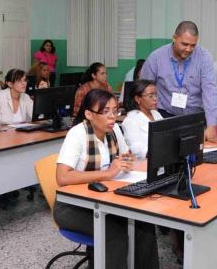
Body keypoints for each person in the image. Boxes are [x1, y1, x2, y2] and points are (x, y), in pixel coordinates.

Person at [54, 89, 159, 269]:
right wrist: (108, 173)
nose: (112, 117)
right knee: (114, 232)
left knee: (144, 224)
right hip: (72, 207)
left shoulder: (115, 130)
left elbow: (126, 158)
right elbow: (62, 177)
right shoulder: (77, 134)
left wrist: (127, 161)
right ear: (88, 114)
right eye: (105, 112)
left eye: (115, 110)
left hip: (106, 199)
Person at [140, 21, 217, 142]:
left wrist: (212, 125)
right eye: (184, 44)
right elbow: (143, 89)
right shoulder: (156, 58)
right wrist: (148, 118)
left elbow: (210, 91)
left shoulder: (204, 57)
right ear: (174, 38)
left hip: (194, 116)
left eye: (193, 45)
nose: (188, 49)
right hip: (165, 115)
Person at [122, 80, 163, 160]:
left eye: (155, 95)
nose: (155, 99)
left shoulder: (156, 114)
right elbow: (136, 148)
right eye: (150, 96)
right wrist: (159, 152)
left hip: (162, 159)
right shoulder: (131, 120)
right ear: (137, 98)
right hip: (144, 164)